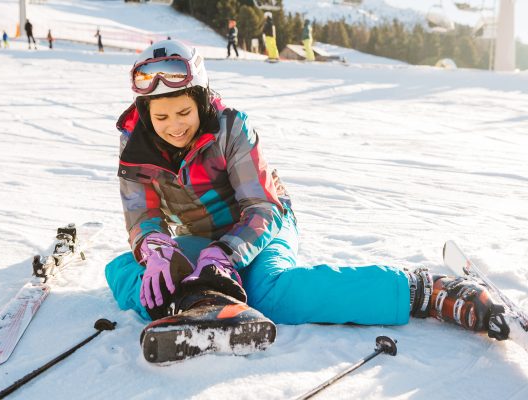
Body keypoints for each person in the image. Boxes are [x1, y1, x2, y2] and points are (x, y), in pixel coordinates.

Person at [105, 40, 512, 344]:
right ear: (144, 113)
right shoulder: (135, 147)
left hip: (263, 225)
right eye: (161, 116)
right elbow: (142, 217)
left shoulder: (231, 129)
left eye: (182, 113)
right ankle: (198, 303)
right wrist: (156, 247)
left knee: (272, 293)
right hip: (201, 236)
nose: (173, 125)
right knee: (136, 279)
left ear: (200, 101)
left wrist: (225, 253)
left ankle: (424, 292)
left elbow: (262, 206)